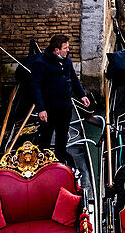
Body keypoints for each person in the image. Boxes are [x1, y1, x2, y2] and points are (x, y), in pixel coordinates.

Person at [30, 33, 90, 164]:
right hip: (49, 109)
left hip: (65, 106)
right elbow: (36, 87)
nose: (68, 50)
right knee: (46, 137)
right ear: (56, 50)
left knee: (62, 137)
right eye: (65, 48)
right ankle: (44, 163)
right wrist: (41, 109)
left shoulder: (66, 59)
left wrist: (82, 95)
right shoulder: (40, 64)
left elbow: (73, 79)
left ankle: (60, 161)